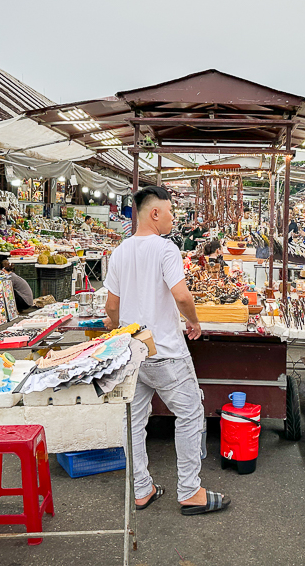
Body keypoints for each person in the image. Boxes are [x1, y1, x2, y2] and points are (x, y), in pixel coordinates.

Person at [104, 186, 230, 515]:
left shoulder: (120, 252)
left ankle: (142, 489)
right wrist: (195, 322)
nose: (174, 216)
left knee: (134, 420)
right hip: (165, 351)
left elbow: (111, 307)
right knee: (189, 415)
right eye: (170, 210)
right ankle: (189, 491)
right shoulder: (165, 249)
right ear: (154, 213)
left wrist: (121, 328)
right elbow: (183, 296)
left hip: (133, 351)